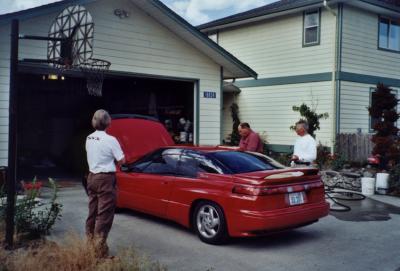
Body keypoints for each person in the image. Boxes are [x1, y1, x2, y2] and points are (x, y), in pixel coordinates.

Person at [85, 109, 125, 257]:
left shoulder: (89, 138)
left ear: (94, 121)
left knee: (92, 212)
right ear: (108, 122)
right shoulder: (111, 140)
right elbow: (122, 160)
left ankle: (89, 245)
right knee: (104, 215)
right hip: (105, 179)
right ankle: (99, 252)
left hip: (91, 177)